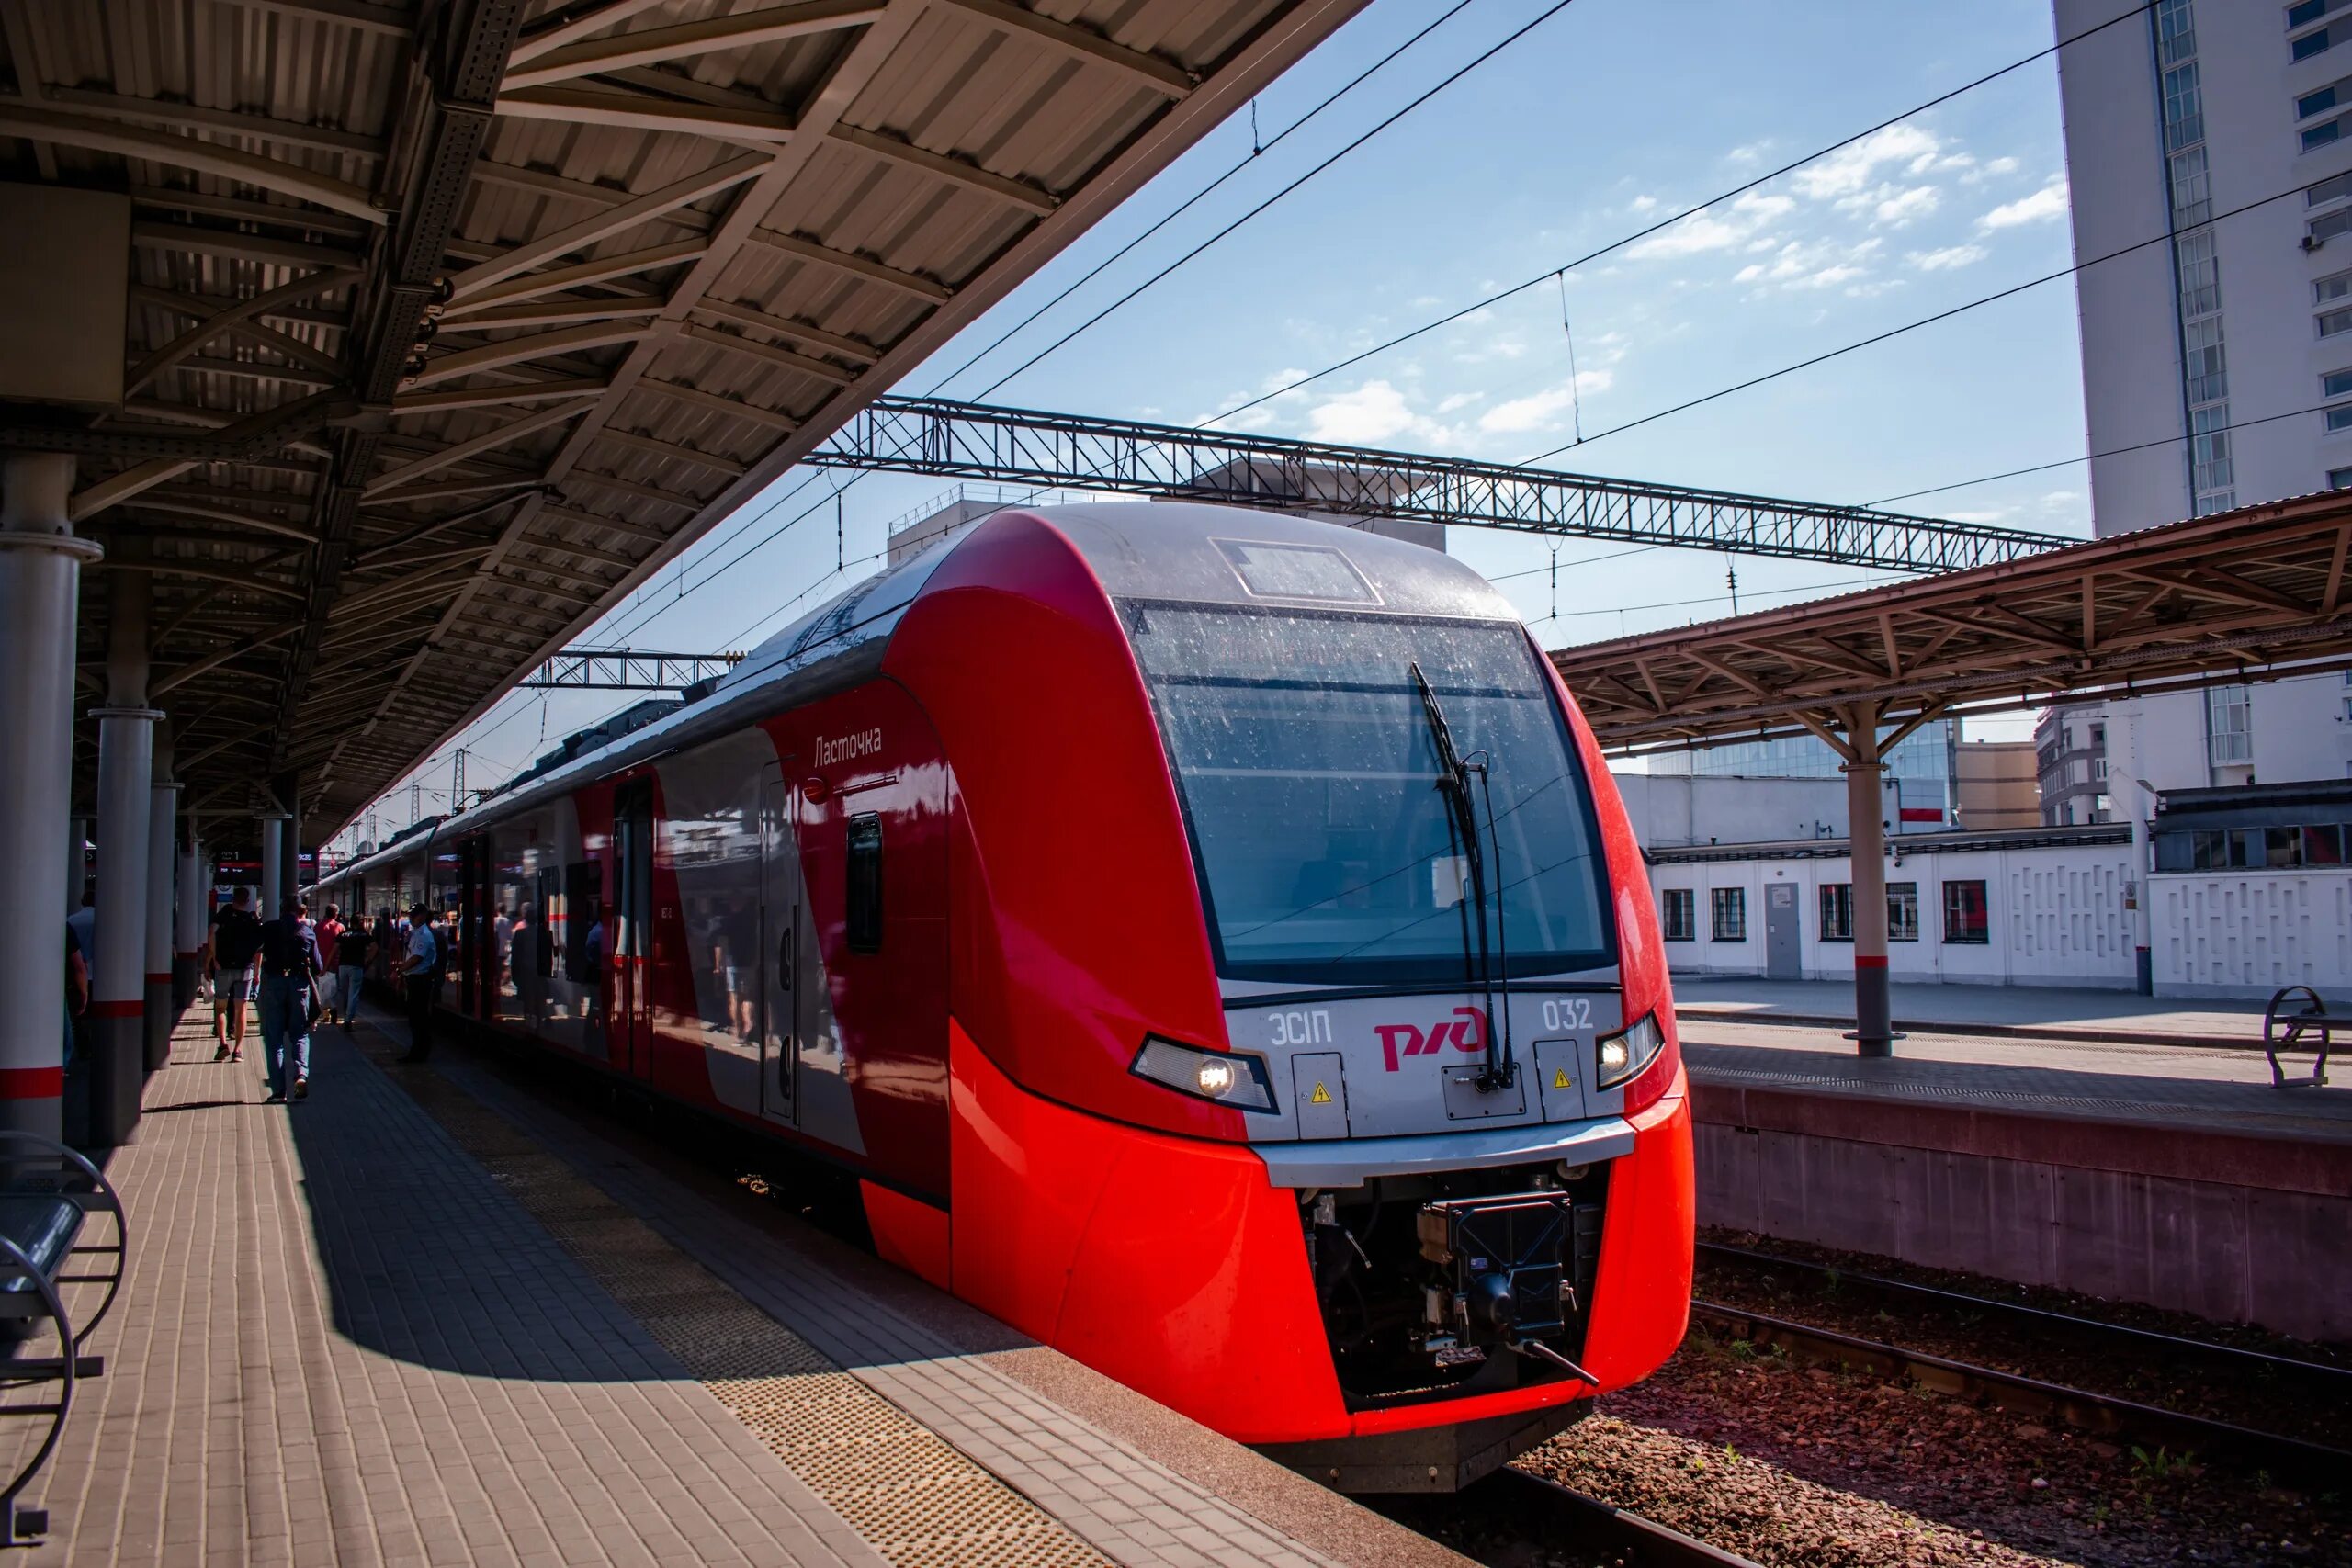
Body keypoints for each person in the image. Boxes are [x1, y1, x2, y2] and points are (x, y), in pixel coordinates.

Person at [254, 897, 322, 1102]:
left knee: (274, 1039)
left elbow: (254, 948)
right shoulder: (307, 932)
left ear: (280, 909)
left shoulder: (269, 928)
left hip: (275, 984)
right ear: (300, 911)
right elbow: (318, 967)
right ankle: (301, 1074)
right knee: (300, 1034)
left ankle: (278, 1092)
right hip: (299, 985)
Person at [207, 886, 264, 1062]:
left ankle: (223, 1044)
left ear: (233, 899)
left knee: (221, 1007)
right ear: (247, 901)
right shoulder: (252, 920)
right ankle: (238, 1051)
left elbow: (211, 932)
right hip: (245, 969)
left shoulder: (223, 915)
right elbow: (259, 949)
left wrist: (214, 958)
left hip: (223, 967)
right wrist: (257, 972)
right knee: (241, 1010)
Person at [397, 901, 439, 1062]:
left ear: (422, 916)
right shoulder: (416, 933)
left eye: (414, 915)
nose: (411, 918)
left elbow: (417, 958)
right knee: (415, 1018)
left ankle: (419, 1052)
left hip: (420, 981)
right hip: (414, 979)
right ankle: (417, 1050)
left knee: (419, 1018)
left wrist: (400, 969)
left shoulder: (424, 935)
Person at [335, 915, 372, 1033]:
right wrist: (368, 961)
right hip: (356, 966)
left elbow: (334, 950)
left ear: (350, 923)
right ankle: (348, 1020)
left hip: (342, 966)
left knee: (343, 992)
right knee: (353, 994)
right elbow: (375, 947)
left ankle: (339, 1015)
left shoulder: (343, 934)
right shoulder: (364, 935)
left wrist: (325, 967)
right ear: (361, 922)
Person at [314, 904, 345, 1023]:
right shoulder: (340, 927)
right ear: (336, 914)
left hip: (319, 963)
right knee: (331, 989)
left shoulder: (317, 927)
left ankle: (326, 1014)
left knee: (322, 988)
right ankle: (332, 1010)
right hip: (334, 963)